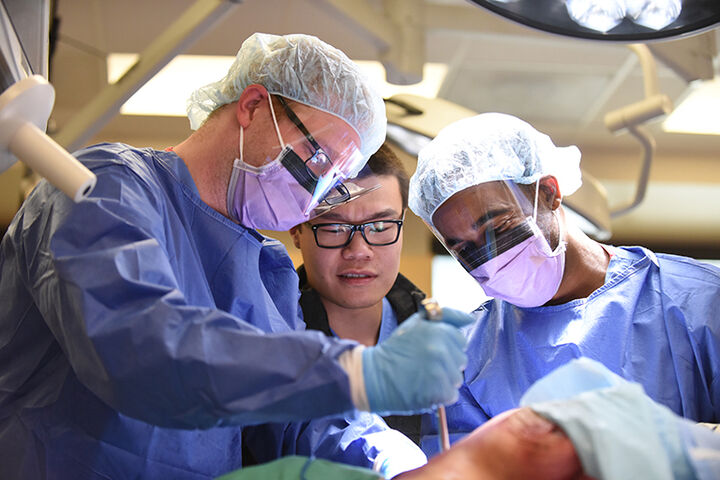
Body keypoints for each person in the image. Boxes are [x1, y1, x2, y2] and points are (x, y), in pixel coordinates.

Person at [0, 33, 473, 479]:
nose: (313, 198)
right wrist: (357, 372)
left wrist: (386, 458)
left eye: (332, 183)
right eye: (316, 162)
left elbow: (294, 422)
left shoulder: (266, 269)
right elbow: (141, 351)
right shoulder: (106, 186)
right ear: (253, 106)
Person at [408, 112, 720, 455]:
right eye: (464, 248)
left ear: (549, 193)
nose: (490, 257)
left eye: (499, 228)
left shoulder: (699, 302)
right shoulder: (468, 358)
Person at [289, 142, 426, 444]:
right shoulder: (263, 340)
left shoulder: (443, 343)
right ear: (296, 228)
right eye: (335, 227)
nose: (359, 251)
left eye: (380, 225)